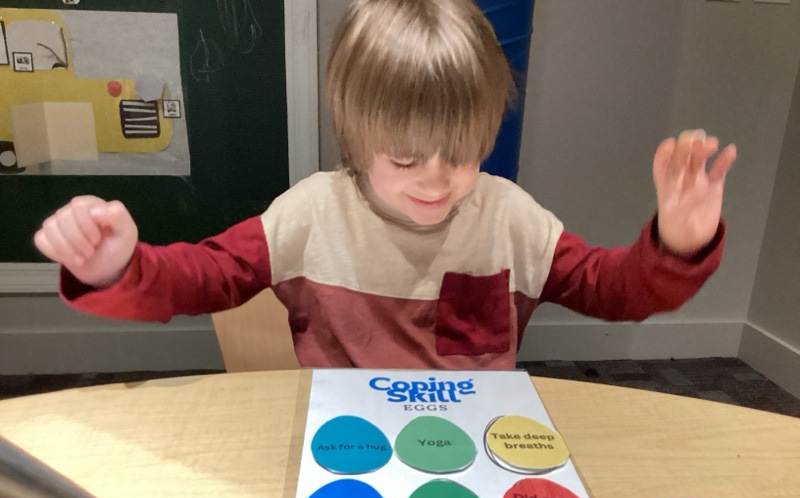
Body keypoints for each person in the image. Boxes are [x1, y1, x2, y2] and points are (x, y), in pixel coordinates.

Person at [33, 0, 736, 370]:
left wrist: (675, 245)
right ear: (357, 137)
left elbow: (615, 291)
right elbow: (203, 277)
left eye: (461, 155)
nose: (437, 180)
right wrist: (119, 268)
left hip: (472, 449)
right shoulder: (312, 213)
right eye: (404, 158)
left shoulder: (511, 217)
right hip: (344, 449)